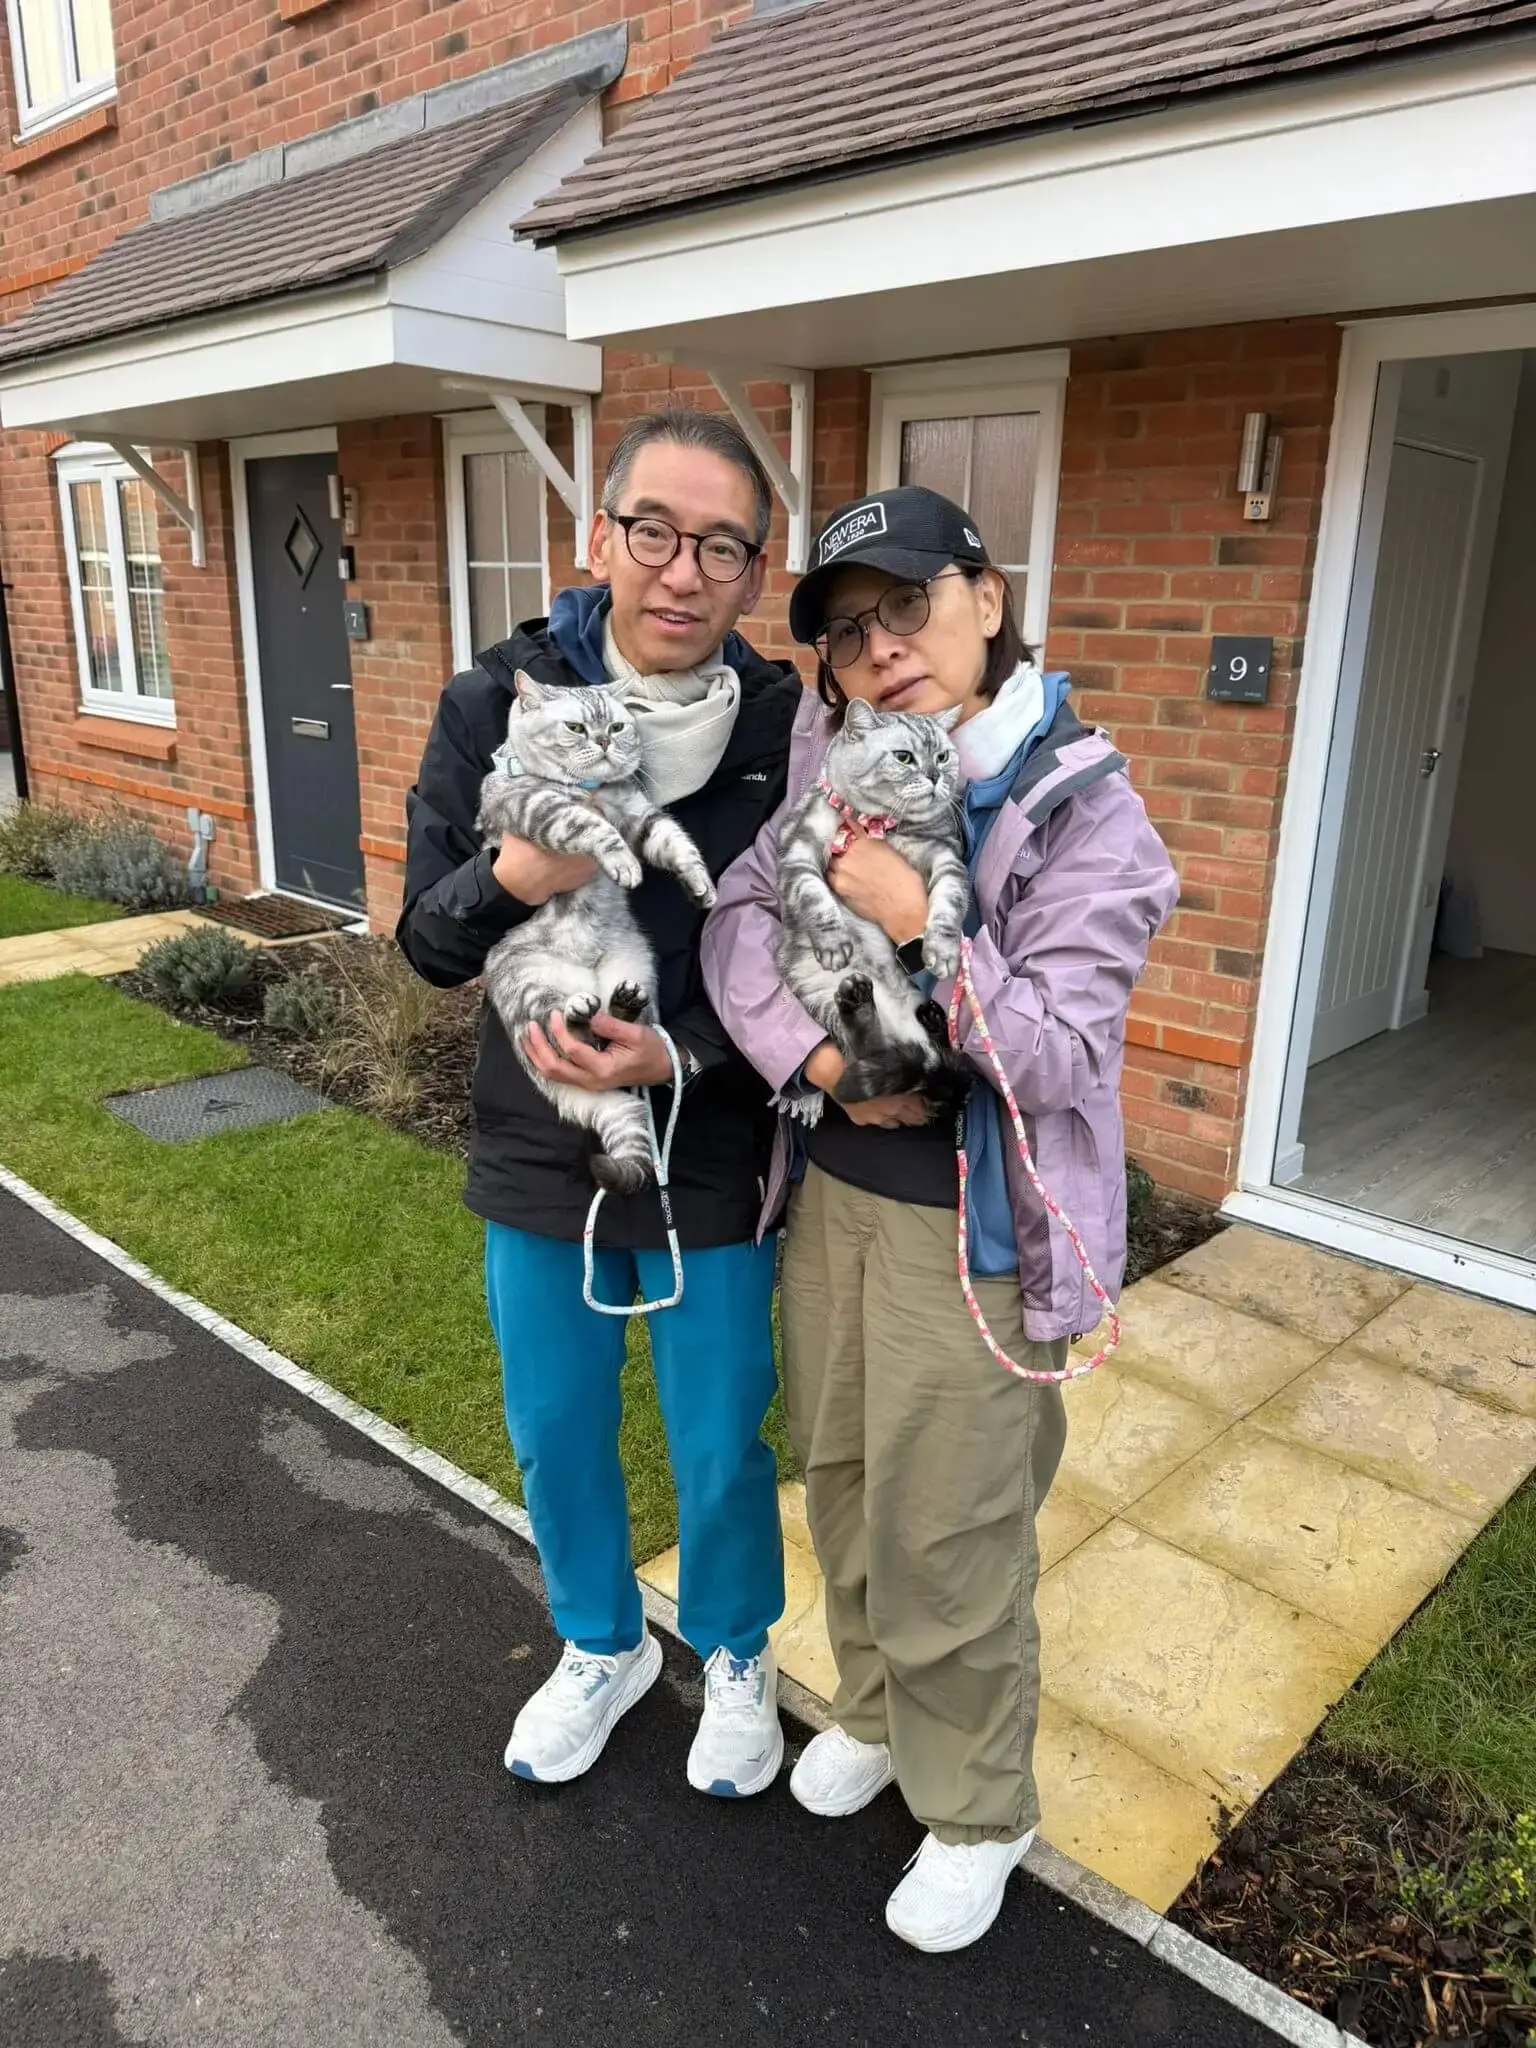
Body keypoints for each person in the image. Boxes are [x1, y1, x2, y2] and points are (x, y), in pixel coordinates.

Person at [701, 486, 1178, 1949]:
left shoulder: (1090, 812)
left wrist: (916, 915)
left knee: (952, 1528)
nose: (881, 649)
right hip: (833, 1201)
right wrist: (825, 1064)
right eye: (848, 635)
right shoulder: (834, 762)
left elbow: (1060, 1057)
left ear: (988, 596)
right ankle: (875, 1707)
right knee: (843, 1481)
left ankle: (978, 1809)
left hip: (978, 1238)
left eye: (907, 606)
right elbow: (737, 920)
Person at [398, 410, 802, 1797]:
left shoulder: (787, 731)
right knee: (556, 1426)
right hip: (541, 1141)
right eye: (654, 532)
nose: (683, 571)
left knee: (720, 1434)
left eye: (721, 546)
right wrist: (514, 877)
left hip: (715, 1145)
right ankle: (602, 1643)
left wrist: (677, 1057)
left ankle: (735, 1651)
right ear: (599, 538)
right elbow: (427, 939)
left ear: (755, 573)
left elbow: (804, 959)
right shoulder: (495, 704)